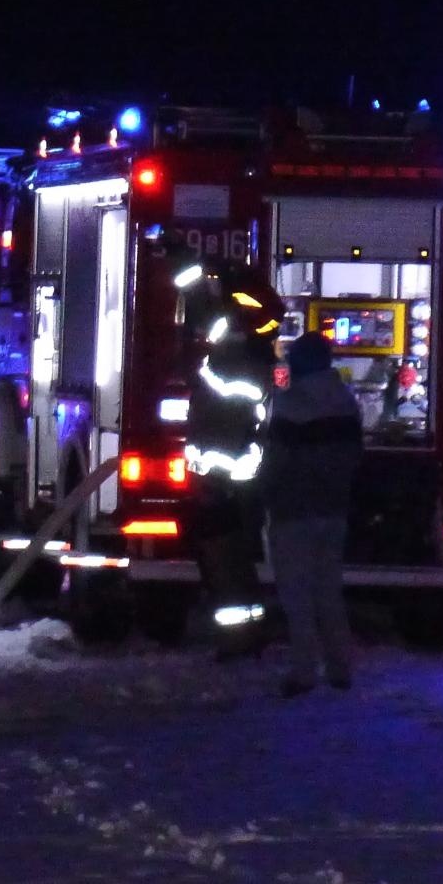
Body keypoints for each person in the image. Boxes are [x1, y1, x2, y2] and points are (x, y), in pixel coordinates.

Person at [180, 264, 282, 660]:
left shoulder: (230, 358)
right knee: (233, 562)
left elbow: (203, 324)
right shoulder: (256, 345)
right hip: (234, 477)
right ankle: (247, 632)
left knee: (225, 564)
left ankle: (239, 640)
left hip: (223, 479)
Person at [262, 330, 364, 697]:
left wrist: (263, 495)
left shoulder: (290, 406)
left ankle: (304, 671)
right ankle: (340, 668)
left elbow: (276, 462)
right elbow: (354, 458)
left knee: (297, 595)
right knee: (328, 592)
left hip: (293, 511)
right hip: (334, 509)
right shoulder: (346, 402)